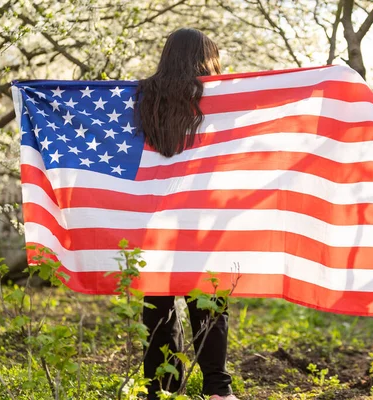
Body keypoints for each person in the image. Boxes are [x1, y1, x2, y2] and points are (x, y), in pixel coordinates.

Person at [135, 28, 238, 400]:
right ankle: (218, 390)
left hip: (154, 219)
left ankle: (161, 390)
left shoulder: (141, 97)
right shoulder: (221, 97)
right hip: (202, 217)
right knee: (208, 303)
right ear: (205, 59)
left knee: (157, 307)